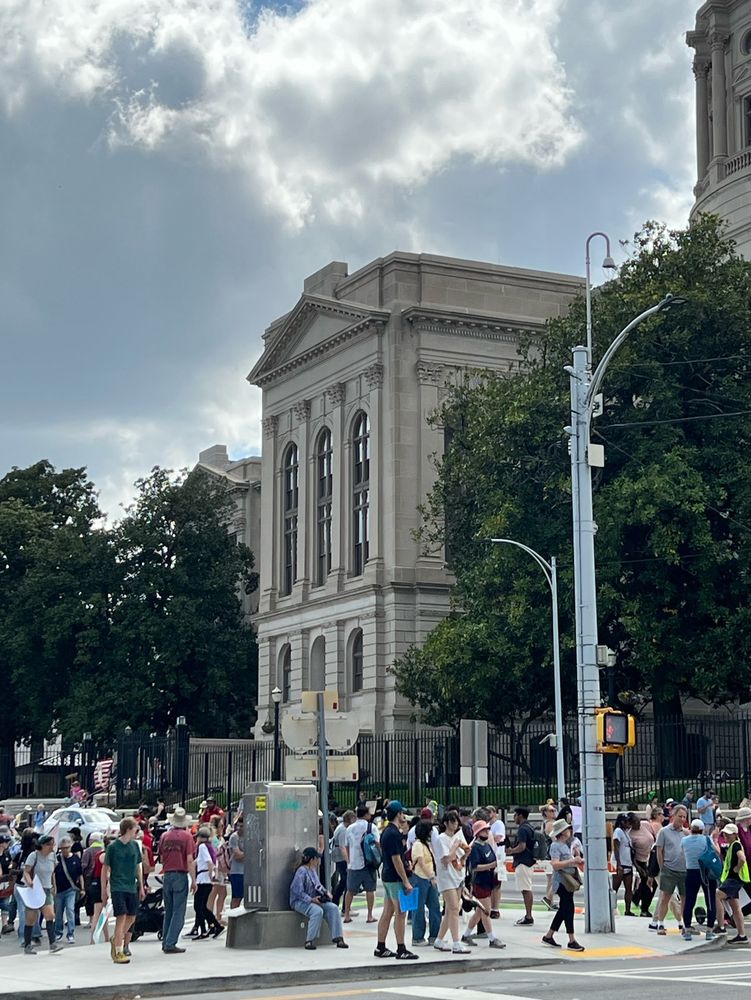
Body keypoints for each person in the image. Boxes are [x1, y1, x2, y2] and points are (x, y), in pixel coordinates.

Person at [374, 801, 418, 960]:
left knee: (387, 912)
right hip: (395, 877)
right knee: (400, 913)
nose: (404, 816)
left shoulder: (387, 832)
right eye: (402, 813)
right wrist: (406, 881)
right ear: (398, 814)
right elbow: (397, 859)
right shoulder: (394, 834)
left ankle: (381, 946)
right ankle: (401, 949)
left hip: (387, 876)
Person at [102, 816, 145, 964]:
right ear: (128, 829)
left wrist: (142, 885)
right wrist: (104, 890)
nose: (137, 832)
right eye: (135, 829)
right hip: (118, 885)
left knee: (132, 917)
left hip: (131, 885)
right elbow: (105, 868)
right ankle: (118, 950)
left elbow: (138, 866)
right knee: (122, 916)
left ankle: (117, 937)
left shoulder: (134, 846)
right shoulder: (113, 847)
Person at [289, 846, 348, 951]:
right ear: (312, 859)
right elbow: (297, 892)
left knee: (333, 908)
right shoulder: (301, 872)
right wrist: (311, 900)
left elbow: (318, 885)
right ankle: (309, 940)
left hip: (314, 900)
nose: (318, 860)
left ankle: (338, 937)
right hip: (300, 901)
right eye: (317, 858)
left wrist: (326, 893)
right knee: (317, 911)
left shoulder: (312, 871)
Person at [541, 817, 585, 951]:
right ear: (562, 832)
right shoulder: (556, 846)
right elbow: (555, 865)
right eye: (567, 829)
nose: (569, 831)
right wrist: (572, 862)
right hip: (562, 881)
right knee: (568, 909)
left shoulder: (564, 845)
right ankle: (571, 939)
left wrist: (576, 860)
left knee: (563, 909)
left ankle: (549, 935)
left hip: (565, 880)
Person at [462, 820, 506, 949]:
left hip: (488, 881)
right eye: (484, 830)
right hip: (479, 882)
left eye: (487, 830)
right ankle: (492, 938)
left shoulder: (486, 845)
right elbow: (474, 867)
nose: (487, 832)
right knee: (485, 911)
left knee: (480, 912)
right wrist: (492, 865)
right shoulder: (475, 847)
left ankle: (466, 935)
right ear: (478, 832)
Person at [159, 807, 196, 954]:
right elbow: (189, 860)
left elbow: (161, 857)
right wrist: (193, 880)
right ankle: (170, 942)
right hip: (180, 874)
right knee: (178, 911)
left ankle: (165, 940)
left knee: (168, 910)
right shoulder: (187, 837)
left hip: (167, 874)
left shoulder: (165, 836)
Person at [433, 809, 470, 954]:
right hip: (446, 877)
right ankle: (456, 942)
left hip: (458, 875)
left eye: (456, 821)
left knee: (450, 910)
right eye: (452, 821)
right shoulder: (441, 839)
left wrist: (465, 853)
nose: (455, 824)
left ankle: (440, 939)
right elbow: (446, 859)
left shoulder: (458, 837)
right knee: (454, 908)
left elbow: (461, 860)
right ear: (446, 823)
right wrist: (455, 847)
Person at [22, 833, 63, 955]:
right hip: (34, 889)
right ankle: (28, 944)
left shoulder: (53, 856)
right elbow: (26, 871)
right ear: (42, 845)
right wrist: (29, 881)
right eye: (49, 844)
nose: (52, 847)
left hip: (46, 888)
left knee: (50, 915)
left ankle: (53, 943)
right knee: (31, 918)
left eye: (53, 844)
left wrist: (53, 886)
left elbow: (52, 873)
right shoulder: (33, 856)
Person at [651, 803, 688, 935]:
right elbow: (659, 850)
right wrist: (663, 867)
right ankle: (660, 923)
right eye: (680, 816)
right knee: (665, 898)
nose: (682, 819)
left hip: (684, 869)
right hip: (669, 869)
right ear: (673, 816)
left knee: (684, 898)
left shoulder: (686, 833)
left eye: (684, 817)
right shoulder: (664, 832)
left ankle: (684, 923)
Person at [681, 817, 719, 941]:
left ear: (691, 829)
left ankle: (687, 929)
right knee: (710, 900)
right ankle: (709, 930)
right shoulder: (706, 839)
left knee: (689, 901)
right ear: (702, 830)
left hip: (690, 871)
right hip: (706, 872)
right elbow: (716, 852)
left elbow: (683, 853)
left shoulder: (684, 840)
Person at [343, 802, 379, 924]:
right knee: (370, 890)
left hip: (354, 863)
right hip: (369, 863)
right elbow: (377, 844)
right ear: (366, 815)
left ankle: (347, 914)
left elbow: (346, 846)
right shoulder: (371, 827)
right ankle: (369, 915)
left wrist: (349, 860)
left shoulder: (349, 828)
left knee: (350, 890)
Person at [409, 817, 441, 947]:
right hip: (420, 878)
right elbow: (421, 862)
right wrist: (431, 877)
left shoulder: (427, 845)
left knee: (435, 907)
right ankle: (417, 937)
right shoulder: (417, 845)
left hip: (429, 878)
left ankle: (435, 935)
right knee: (418, 909)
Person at [715, 822, 749, 944]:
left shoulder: (735, 845)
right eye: (725, 834)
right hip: (735, 879)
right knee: (735, 906)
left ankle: (721, 926)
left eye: (729, 834)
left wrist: (737, 868)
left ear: (735, 835)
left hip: (734, 879)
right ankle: (742, 935)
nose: (726, 836)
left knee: (717, 895)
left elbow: (742, 858)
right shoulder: (733, 845)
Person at [194, 826, 223, 939]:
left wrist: (210, 875)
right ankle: (213, 925)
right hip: (205, 879)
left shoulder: (202, 846)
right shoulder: (209, 846)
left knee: (198, 906)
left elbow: (209, 862)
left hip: (203, 879)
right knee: (202, 906)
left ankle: (205, 929)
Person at [507, 807, 535, 925]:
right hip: (529, 861)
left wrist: (511, 851)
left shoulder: (522, 829)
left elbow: (522, 846)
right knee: (526, 888)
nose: (514, 818)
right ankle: (528, 915)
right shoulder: (530, 827)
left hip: (523, 861)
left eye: (515, 815)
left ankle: (528, 916)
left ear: (520, 816)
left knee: (526, 889)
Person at [53, 835, 84, 944]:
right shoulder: (57, 859)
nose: (65, 850)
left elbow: (80, 874)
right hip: (59, 890)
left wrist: (82, 888)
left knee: (70, 910)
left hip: (71, 889)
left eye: (67, 847)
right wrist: (54, 888)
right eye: (63, 848)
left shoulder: (75, 858)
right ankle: (58, 932)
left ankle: (70, 933)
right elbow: (53, 874)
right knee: (58, 913)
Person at [628, 811, 656, 917]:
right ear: (631, 824)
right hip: (641, 860)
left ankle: (639, 898)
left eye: (638, 820)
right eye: (635, 822)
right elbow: (632, 853)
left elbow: (653, 835)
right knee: (647, 883)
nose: (638, 823)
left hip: (651, 857)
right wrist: (638, 867)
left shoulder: (645, 825)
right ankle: (644, 908)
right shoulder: (631, 835)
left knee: (652, 883)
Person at [611, 813, 635, 916]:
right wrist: (619, 863)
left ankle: (628, 910)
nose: (628, 823)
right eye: (626, 821)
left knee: (629, 888)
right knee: (614, 888)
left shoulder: (626, 833)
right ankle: (611, 907)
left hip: (628, 862)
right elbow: (616, 847)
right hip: (620, 863)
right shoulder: (618, 832)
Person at [485, 805, 507, 918]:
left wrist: (489, 837)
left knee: (496, 884)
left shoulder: (498, 824)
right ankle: (490, 907)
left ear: (494, 813)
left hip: (498, 855)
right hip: (490, 855)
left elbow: (498, 838)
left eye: (489, 812)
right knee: (490, 884)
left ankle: (495, 908)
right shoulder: (488, 825)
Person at [331, 811, 354, 911]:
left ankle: (340, 904)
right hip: (341, 858)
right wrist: (348, 861)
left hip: (339, 857)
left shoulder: (341, 828)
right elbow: (342, 847)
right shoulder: (343, 830)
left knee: (343, 882)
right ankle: (344, 907)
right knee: (345, 881)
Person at [208, 814, 229, 926]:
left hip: (221, 868)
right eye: (221, 825)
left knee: (222, 892)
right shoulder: (214, 839)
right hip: (216, 867)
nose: (223, 827)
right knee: (214, 891)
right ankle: (211, 917)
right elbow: (217, 852)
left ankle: (218, 916)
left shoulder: (219, 838)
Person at [540, 804, 557, 910]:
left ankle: (550, 902)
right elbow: (555, 838)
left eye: (554, 810)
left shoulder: (544, 823)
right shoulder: (551, 824)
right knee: (554, 878)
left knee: (550, 879)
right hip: (552, 854)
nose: (553, 812)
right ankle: (548, 899)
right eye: (551, 810)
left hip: (546, 853)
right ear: (546, 813)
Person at [228, 815, 245, 909]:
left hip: (247, 871)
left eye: (242, 826)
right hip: (236, 871)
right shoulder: (234, 837)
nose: (239, 828)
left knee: (244, 896)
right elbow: (238, 855)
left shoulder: (249, 836)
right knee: (236, 897)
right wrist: (250, 853)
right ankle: (233, 919)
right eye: (238, 826)